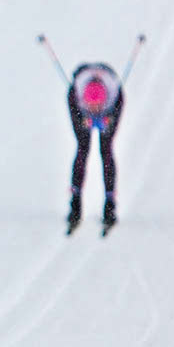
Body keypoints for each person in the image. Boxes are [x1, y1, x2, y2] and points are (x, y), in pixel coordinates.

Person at [67, 62, 123, 234]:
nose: (94, 110)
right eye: (91, 107)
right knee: (83, 148)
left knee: (106, 150)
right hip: (79, 106)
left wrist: (109, 119)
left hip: (111, 108)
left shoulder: (116, 97)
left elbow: (115, 114)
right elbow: (77, 117)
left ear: (104, 101)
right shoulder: (74, 97)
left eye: (98, 106)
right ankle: (75, 201)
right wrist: (82, 121)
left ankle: (110, 202)